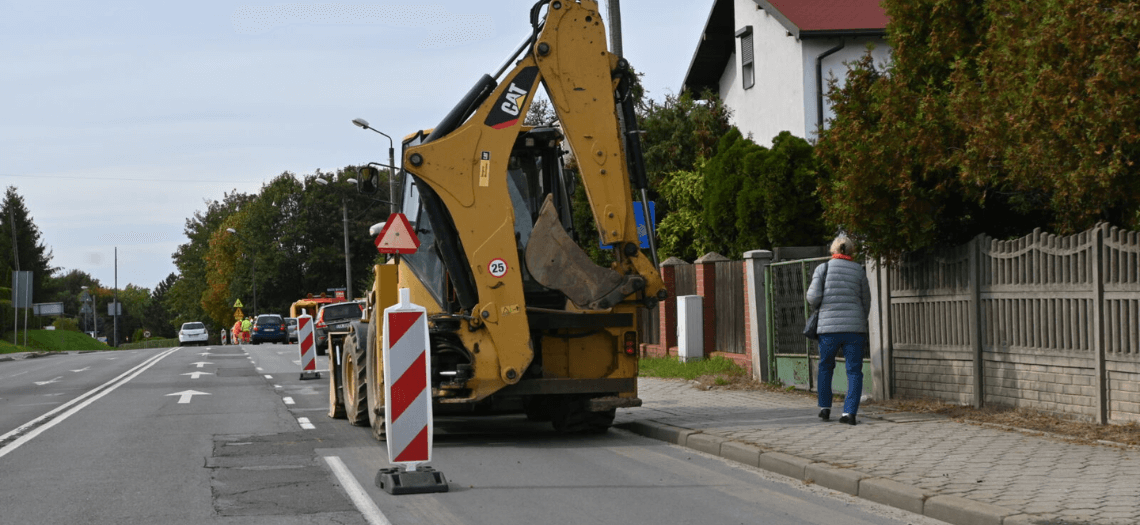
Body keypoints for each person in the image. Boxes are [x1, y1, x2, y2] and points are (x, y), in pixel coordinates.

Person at [806, 234, 872, 425]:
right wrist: (860, 319)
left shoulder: (823, 268)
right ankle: (849, 413)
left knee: (826, 367)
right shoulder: (858, 270)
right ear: (851, 251)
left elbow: (812, 297)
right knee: (854, 371)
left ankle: (825, 408)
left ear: (832, 250)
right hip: (854, 329)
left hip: (828, 328)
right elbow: (865, 300)